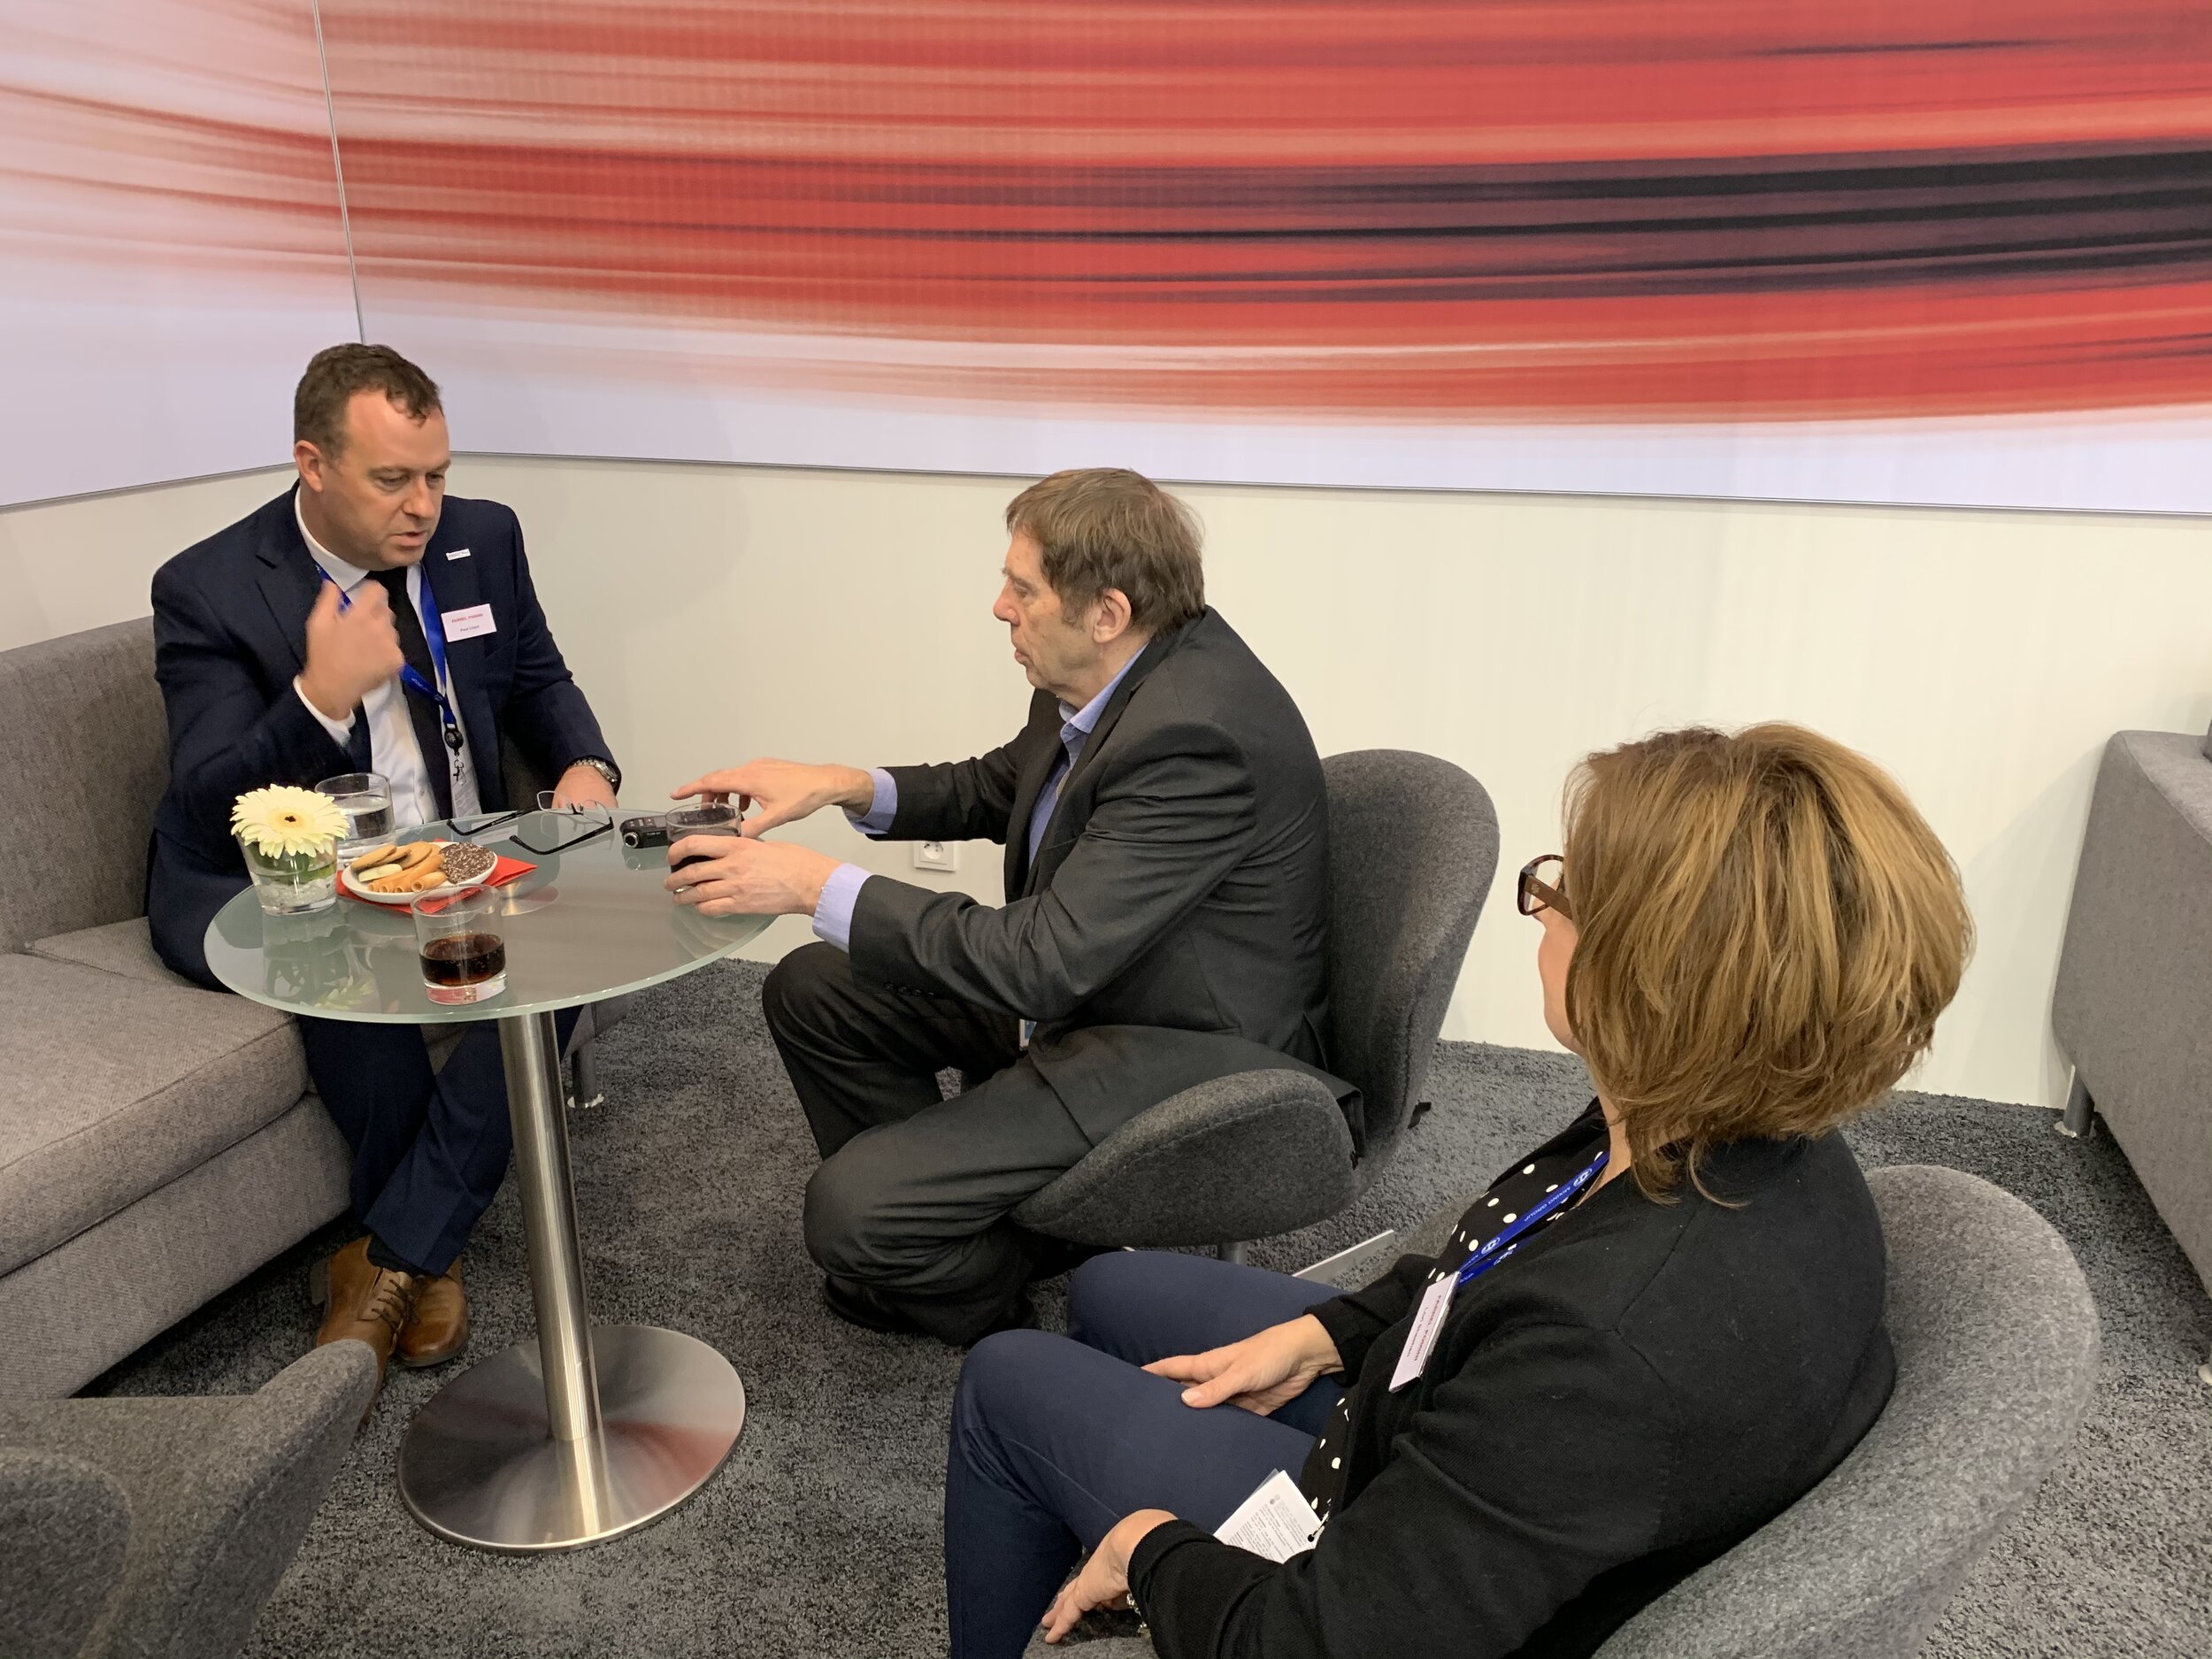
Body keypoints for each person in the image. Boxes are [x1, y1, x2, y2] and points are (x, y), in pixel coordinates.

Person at [942, 722, 1975, 1659]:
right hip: (1466, 1418)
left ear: (1645, 976)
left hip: (1409, 1554)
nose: (1542, 908)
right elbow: (1508, 1250)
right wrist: (1334, 1333)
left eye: (1565, 890)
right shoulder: (1717, 1121)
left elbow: (1312, 1646)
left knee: (1004, 1380)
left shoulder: (1604, 1353)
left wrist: (1150, 1550)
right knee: (1113, 1295)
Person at [662, 467, 1345, 1345]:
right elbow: (1002, 784)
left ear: (1106, 611)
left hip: (1177, 1047)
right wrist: (839, 784)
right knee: (813, 986)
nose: (999, 607)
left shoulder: (1195, 736)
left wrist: (808, 885)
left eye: (1020, 589)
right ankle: (948, 1212)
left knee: (846, 1217)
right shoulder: (1107, 672)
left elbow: (1040, 960)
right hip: (1097, 984)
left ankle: (985, 1278)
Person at [147, 343, 621, 1395]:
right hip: (280, 878)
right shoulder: (211, 588)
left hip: (454, 854)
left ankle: (391, 1255)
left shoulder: (481, 539)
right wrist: (317, 696)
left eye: (437, 475)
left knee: (555, 968)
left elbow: (536, 672)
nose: (424, 507)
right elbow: (202, 797)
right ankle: (428, 1250)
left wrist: (585, 762)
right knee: (347, 983)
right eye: (393, 480)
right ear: (312, 465)